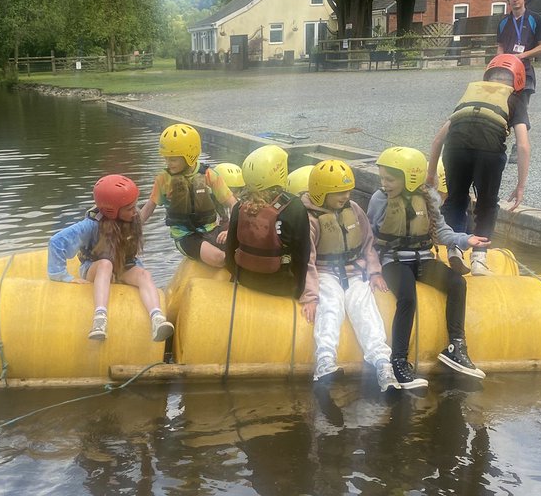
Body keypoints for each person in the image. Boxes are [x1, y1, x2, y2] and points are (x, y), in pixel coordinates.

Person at [369, 146, 490, 390]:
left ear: (410, 177)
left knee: (458, 283)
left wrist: (466, 240)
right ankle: (398, 361)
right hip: (393, 260)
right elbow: (369, 235)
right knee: (407, 298)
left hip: (423, 259)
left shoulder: (428, 198)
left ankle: (456, 345)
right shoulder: (379, 199)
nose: (385, 183)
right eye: (382, 178)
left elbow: (442, 231)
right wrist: (371, 269)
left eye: (390, 179)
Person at [426, 54, 531, 275]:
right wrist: (521, 186)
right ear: (518, 81)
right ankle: (479, 260)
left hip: (454, 149)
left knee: (456, 199)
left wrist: (430, 174)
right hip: (489, 153)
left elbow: (438, 140)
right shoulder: (514, 99)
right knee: (487, 203)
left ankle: (454, 249)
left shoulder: (471, 96)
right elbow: (522, 145)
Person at [301, 159, 396, 391]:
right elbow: (308, 261)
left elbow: (367, 245)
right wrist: (310, 296)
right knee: (331, 306)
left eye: (347, 190)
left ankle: (382, 362)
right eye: (338, 192)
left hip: (355, 273)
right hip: (326, 273)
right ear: (321, 192)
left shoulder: (354, 210)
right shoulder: (310, 219)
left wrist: (374, 272)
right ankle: (324, 361)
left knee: (366, 310)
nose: (345, 196)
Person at [49, 173, 174, 342]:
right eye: (130, 208)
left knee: (145, 275)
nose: (135, 212)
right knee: (106, 265)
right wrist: (64, 276)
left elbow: (144, 213)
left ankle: (157, 319)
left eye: (134, 206)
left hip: (123, 265)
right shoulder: (91, 225)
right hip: (95, 267)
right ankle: (99, 319)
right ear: (112, 210)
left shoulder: (131, 218)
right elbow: (56, 242)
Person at [224, 144, 318, 322]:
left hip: (245, 279)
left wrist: (238, 276)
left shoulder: (239, 206)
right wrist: (298, 292)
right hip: (281, 286)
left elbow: (230, 252)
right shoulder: (295, 207)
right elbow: (303, 256)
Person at [139, 123, 236, 267]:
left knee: (241, 250)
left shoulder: (209, 175)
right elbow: (148, 208)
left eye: (173, 159)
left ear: (189, 155)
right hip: (185, 236)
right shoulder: (163, 179)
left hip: (212, 230)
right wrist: (132, 230)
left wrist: (230, 230)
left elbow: (234, 204)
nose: (168, 163)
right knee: (220, 258)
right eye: (166, 158)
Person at [496, 0, 541, 162]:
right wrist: (500, 62)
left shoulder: (536, 19)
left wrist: (522, 55)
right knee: (503, 108)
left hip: (524, 71)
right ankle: (498, 144)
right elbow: (500, 46)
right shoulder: (503, 22)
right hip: (505, 73)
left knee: (521, 107)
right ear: (508, 0)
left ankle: (518, 147)